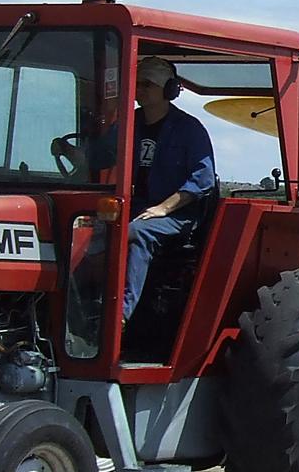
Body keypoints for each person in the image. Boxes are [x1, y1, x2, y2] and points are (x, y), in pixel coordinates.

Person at [54, 56, 217, 324]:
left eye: (147, 84)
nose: (139, 89)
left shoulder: (190, 130)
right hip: (138, 206)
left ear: (169, 90)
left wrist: (163, 208)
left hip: (178, 215)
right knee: (83, 231)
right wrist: (67, 150)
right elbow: (97, 157)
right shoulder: (129, 124)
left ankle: (119, 317)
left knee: (135, 232)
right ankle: (73, 311)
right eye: (137, 83)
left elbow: (203, 180)